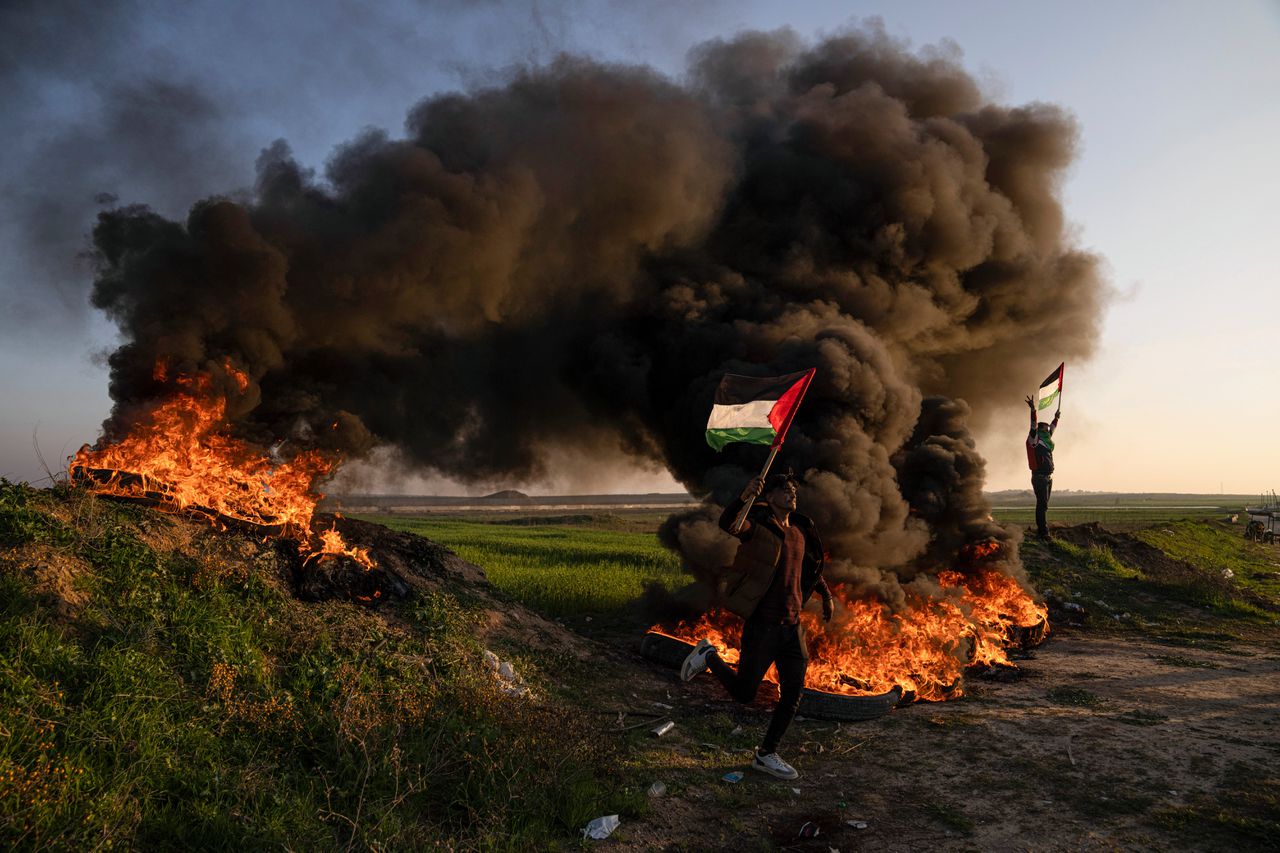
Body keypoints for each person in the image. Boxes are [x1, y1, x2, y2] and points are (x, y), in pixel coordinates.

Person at [679, 471, 833, 781]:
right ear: (769, 497)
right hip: (763, 625)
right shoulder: (758, 528)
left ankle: (766, 754)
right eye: (783, 490)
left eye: (793, 490)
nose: (791, 494)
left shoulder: (800, 531)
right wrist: (744, 496)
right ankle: (708, 656)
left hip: (792, 626)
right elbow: (730, 525)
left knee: (793, 692)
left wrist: (826, 594)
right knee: (745, 693)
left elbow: (808, 569)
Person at [1025, 395, 1061, 540]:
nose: (1048, 431)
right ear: (1041, 429)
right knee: (1042, 505)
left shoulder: (1046, 440)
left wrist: (1056, 418)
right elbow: (1033, 426)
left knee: (1044, 505)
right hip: (1039, 477)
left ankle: (1042, 530)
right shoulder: (1034, 439)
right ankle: (1043, 532)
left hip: (1048, 477)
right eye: (1046, 429)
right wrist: (1033, 410)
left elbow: (1053, 429)